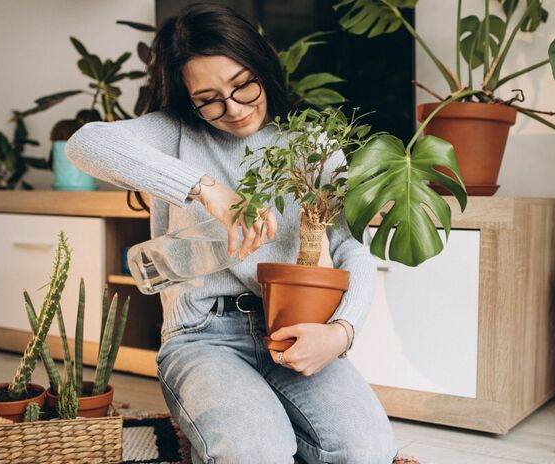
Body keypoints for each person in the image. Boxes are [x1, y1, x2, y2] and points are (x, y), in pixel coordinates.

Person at [64, 3, 398, 463]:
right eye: (210, 98)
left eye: (243, 85)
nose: (235, 109)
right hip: (202, 334)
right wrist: (203, 188)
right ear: (188, 98)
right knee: (255, 452)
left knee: (367, 452)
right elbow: (86, 144)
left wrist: (341, 333)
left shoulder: (312, 143)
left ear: (262, 65)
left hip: (296, 328)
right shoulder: (174, 133)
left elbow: (349, 248)